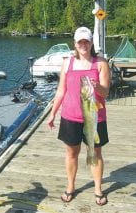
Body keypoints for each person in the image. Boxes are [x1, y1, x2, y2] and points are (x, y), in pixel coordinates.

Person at [47, 26, 110, 205]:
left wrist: (97, 87)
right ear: (75, 43)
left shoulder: (101, 63)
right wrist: (52, 114)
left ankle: (98, 189)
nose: (83, 44)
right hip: (70, 117)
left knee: (96, 153)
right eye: (80, 41)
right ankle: (71, 186)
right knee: (71, 152)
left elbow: (105, 92)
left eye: (86, 41)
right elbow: (61, 91)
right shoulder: (67, 63)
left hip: (95, 117)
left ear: (91, 43)